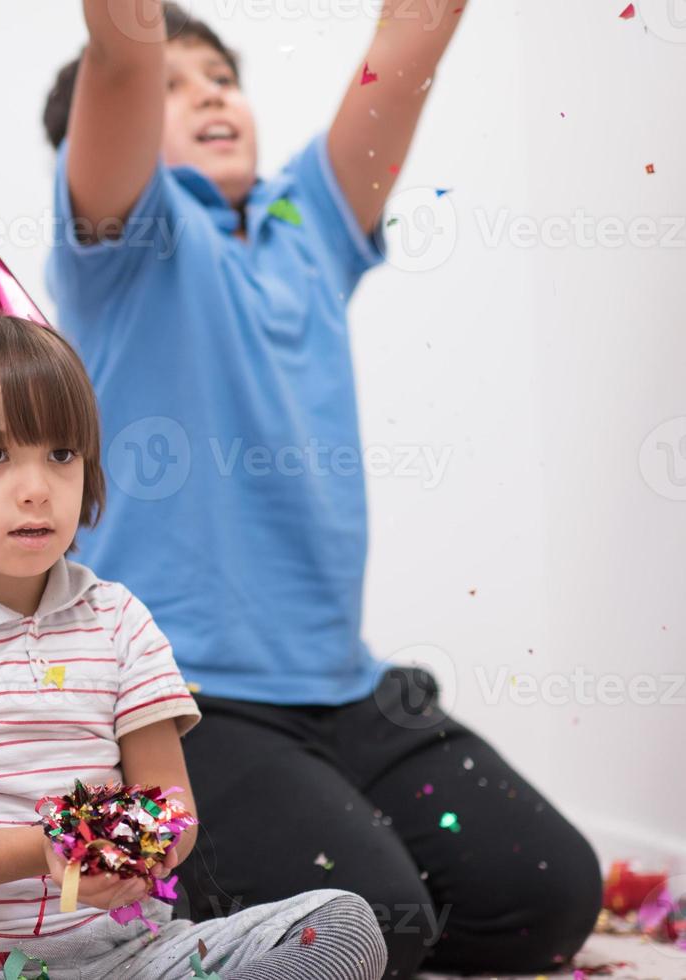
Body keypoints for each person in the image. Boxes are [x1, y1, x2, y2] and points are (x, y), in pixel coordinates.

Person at [41, 2, 602, 976]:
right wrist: (133, 57)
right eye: (171, 85)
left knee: (546, 893)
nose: (207, 90)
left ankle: (298, 859)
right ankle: (170, 911)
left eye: (218, 74)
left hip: (347, 690)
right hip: (186, 705)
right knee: (378, 921)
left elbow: (407, 38)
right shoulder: (123, 244)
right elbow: (120, 59)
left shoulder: (307, 221)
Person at [0, 314, 387, 980]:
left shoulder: (117, 619)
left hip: (127, 957)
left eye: (60, 454)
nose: (37, 486)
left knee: (342, 926)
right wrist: (46, 848)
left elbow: (173, 809)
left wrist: (138, 848)